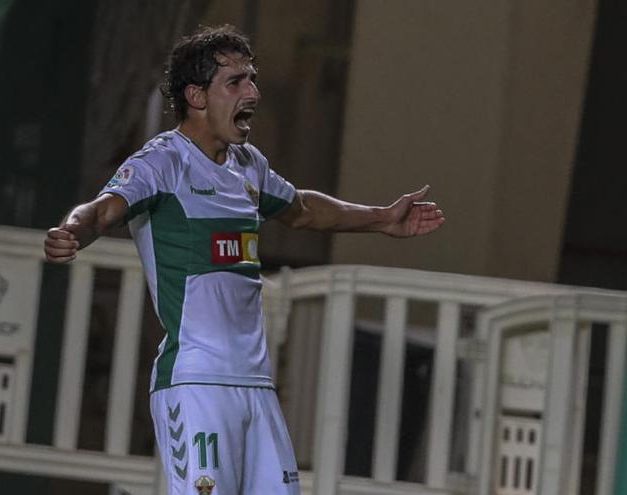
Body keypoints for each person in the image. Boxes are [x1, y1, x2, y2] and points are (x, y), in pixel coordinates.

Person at [44, 24, 444, 495]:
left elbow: (300, 208)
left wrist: (381, 219)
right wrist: (73, 231)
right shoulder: (163, 162)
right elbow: (104, 208)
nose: (252, 91)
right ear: (196, 96)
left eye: (252, 78)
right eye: (236, 82)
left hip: (255, 386)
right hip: (196, 384)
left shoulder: (247, 164)